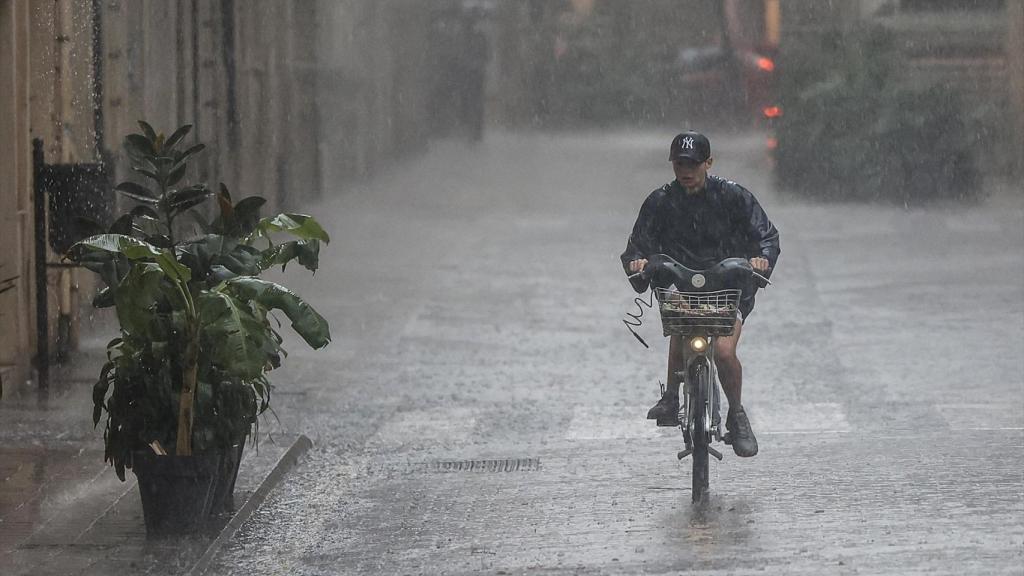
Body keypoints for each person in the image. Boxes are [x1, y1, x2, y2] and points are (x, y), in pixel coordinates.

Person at [620, 131, 780, 458]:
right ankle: (671, 396)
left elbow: (767, 236)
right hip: (679, 284)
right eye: (680, 164)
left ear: (708, 163)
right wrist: (638, 262)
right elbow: (636, 245)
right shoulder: (660, 202)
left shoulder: (733, 196)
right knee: (679, 318)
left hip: (728, 286)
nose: (686, 171)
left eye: (693, 164)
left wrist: (760, 260)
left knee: (723, 352)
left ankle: (736, 414)